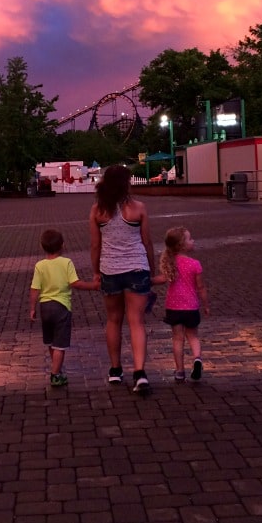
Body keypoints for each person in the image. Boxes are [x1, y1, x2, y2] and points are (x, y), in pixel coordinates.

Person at [89, 164, 156, 392]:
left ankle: (115, 370)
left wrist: (96, 271)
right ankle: (139, 373)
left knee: (113, 320)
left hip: (110, 270)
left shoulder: (98, 210)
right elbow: (147, 242)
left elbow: (95, 245)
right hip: (137, 269)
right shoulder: (139, 208)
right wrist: (151, 270)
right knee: (136, 321)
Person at [29, 228, 99, 387]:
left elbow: (34, 289)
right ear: (62, 245)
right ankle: (55, 375)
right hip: (61, 307)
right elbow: (76, 283)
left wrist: (32, 308)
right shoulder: (66, 262)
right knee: (60, 344)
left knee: (51, 342)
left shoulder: (39, 265)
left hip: (45, 307)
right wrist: (93, 286)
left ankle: (57, 369)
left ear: (42, 246)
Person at [153, 226, 210, 383]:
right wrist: (206, 305)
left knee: (177, 339)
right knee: (193, 336)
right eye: (190, 239)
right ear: (182, 245)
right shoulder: (195, 264)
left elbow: (162, 279)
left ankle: (179, 371)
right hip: (191, 307)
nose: (193, 240)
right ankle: (197, 359)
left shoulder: (171, 263)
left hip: (174, 307)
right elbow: (201, 287)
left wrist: (148, 281)